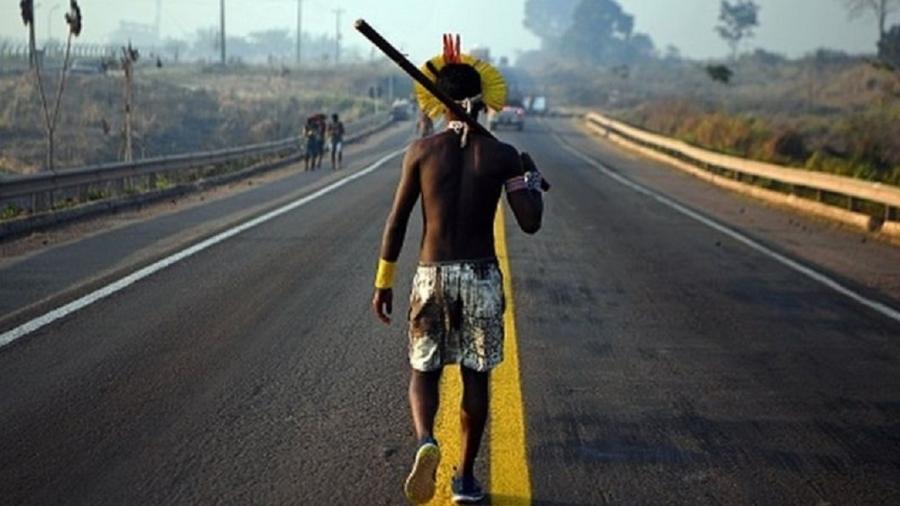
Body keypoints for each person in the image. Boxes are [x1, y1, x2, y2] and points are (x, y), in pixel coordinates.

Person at [371, 35, 544, 505]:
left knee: (424, 371)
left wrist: (384, 281)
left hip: (432, 276)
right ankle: (466, 480)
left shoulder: (421, 152)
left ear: (439, 102)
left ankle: (427, 439)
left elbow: (397, 221)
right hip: (482, 277)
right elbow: (529, 223)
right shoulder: (502, 155)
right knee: (476, 374)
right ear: (485, 103)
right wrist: (529, 176)